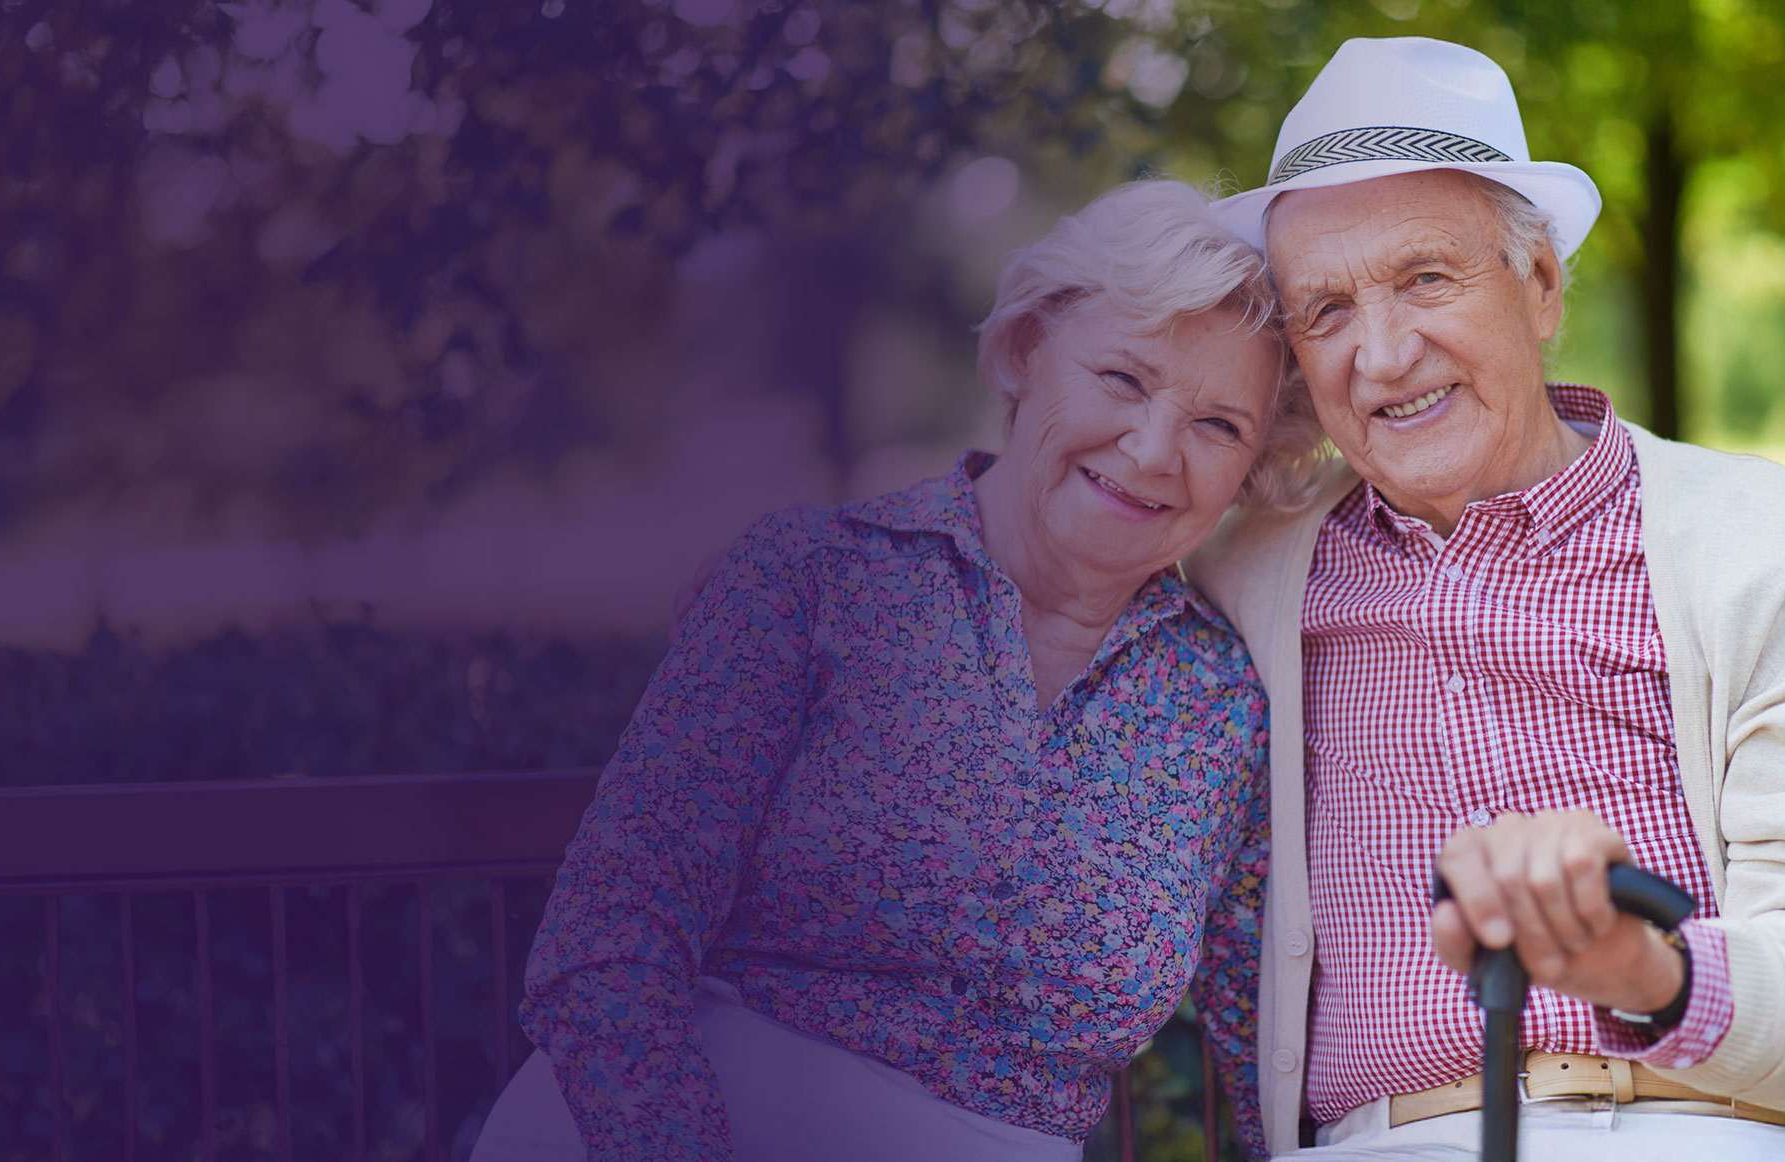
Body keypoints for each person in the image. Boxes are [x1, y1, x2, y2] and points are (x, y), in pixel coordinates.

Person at [471, 178, 1323, 1162]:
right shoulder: (814, 578)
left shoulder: (1220, 701)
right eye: (1123, 380)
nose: (1151, 449)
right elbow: (606, 949)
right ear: (1024, 351)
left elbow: (1269, 1045)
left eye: (1218, 425)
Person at [1188, 35, 1785, 1159]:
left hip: (1730, 1130)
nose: (1385, 354)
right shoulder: (1241, 580)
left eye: (1426, 279)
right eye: (1326, 312)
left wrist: (1646, 971)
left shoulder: (1767, 548)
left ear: (1542, 284)